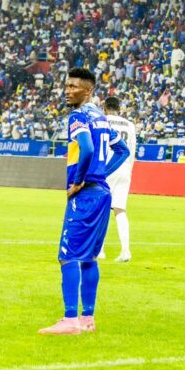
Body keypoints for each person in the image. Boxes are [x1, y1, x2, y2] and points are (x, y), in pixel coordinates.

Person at [40, 68, 129, 335]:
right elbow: (122, 150)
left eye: (73, 87)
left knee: (67, 257)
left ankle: (70, 320)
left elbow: (87, 148)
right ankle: (88, 318)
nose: (67, 91)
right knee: (89, 257)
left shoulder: (78, 116)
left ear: (88, 90)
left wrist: (79, 180)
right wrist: (100, 173)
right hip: (102, 193)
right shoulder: (100, 117)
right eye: (66, 86)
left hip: (86, 195)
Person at [99, 96, 137, 261]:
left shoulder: (102, 121)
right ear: (119, 108)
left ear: (105, 108)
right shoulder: (130, 125)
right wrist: (128, 171)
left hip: (107, 168)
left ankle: (99, 250)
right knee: (120, 210)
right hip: (124, 169)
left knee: (101, 209)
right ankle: (125, 251)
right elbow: (132, 150)